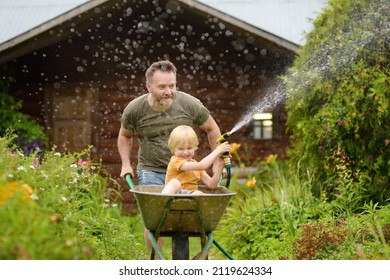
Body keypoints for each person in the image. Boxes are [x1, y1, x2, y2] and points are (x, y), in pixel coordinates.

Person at [117, 60, 225, 256]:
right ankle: (156, 264)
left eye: (172, 86)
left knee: (195, 214)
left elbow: (211, 129)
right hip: (151, 169)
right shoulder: (135, 109)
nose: (168, 91)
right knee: (155, 219)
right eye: (162, 87)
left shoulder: (189, 104)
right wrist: (125, 163)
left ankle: (198, 257)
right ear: (148, 87)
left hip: (186, 172)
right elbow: (125, 136)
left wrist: (219, 161)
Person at [162, 125, 230, 195]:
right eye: (181, 149)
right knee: (174, 183)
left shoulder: (195, 165)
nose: (185, 152)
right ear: (173, 149)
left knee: (198, 193)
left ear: (194, 147)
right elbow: (202, 165)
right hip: (174, 194)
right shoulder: (176, 161)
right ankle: (163, 199)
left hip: (189, 197)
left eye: (189, 148)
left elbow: (211, 184)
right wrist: (217, 150)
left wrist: (221, 165)